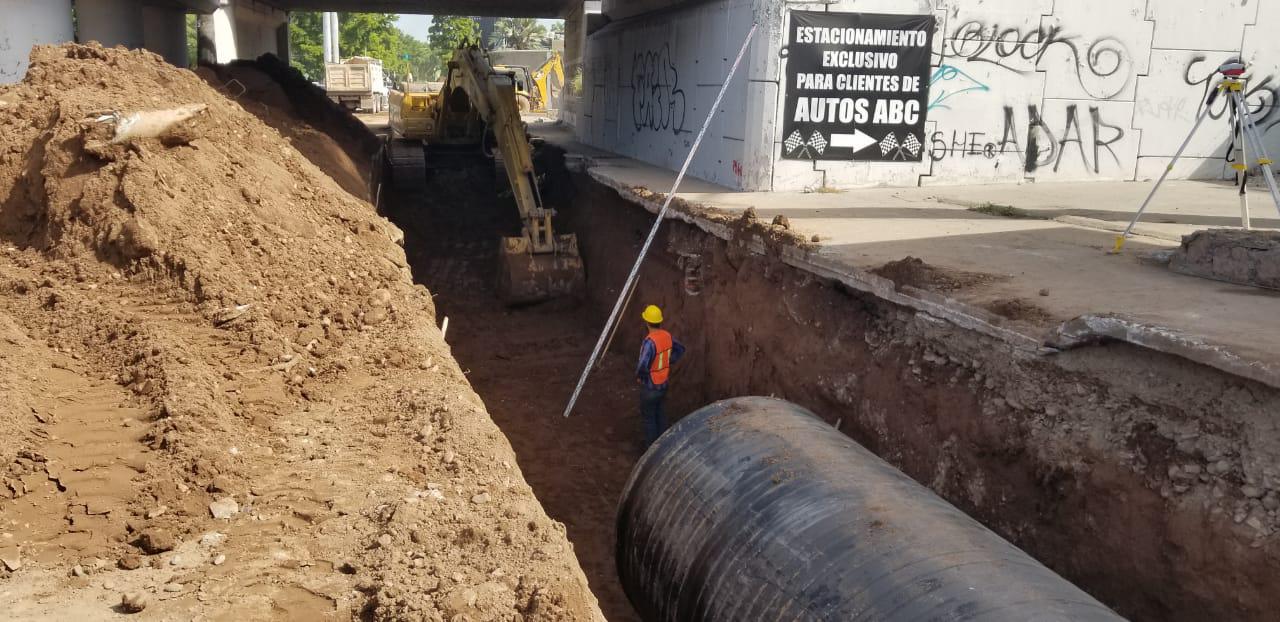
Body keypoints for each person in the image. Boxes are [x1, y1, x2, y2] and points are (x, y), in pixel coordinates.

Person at [636, 304, 685, 447]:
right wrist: (669, 361)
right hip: (663, 384)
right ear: (659, 321)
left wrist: (641, 377)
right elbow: (681, 349)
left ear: (647, 322)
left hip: (650, 386)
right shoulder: (667, 336)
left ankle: (651, 451)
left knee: (649, 419)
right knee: (660, 414)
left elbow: (643, 365)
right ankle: (663, 447)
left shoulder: (650, 341)